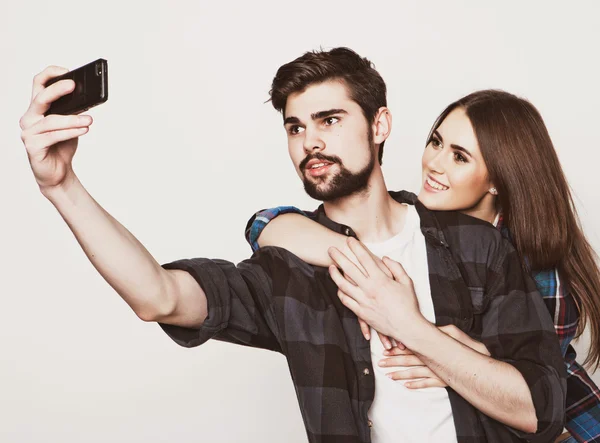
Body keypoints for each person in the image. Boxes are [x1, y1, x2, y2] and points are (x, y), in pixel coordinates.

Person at [19, 48, 566, 443]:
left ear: (380, 124)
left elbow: (540, 409)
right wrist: (60, 186)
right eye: (295, 127)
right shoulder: (287, 271)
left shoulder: (476, 248)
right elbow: (158, 296)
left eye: (330, 120)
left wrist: (409, 327)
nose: (312, 142)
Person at [246, 89, 600, 443]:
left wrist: (449, 353)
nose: (435, 163)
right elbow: (266, 223)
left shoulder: (531, 262)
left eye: (460, 157)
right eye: (436, 142)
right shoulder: (415, 228)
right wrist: (362, 258)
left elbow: (540, 383)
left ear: (496, 179)